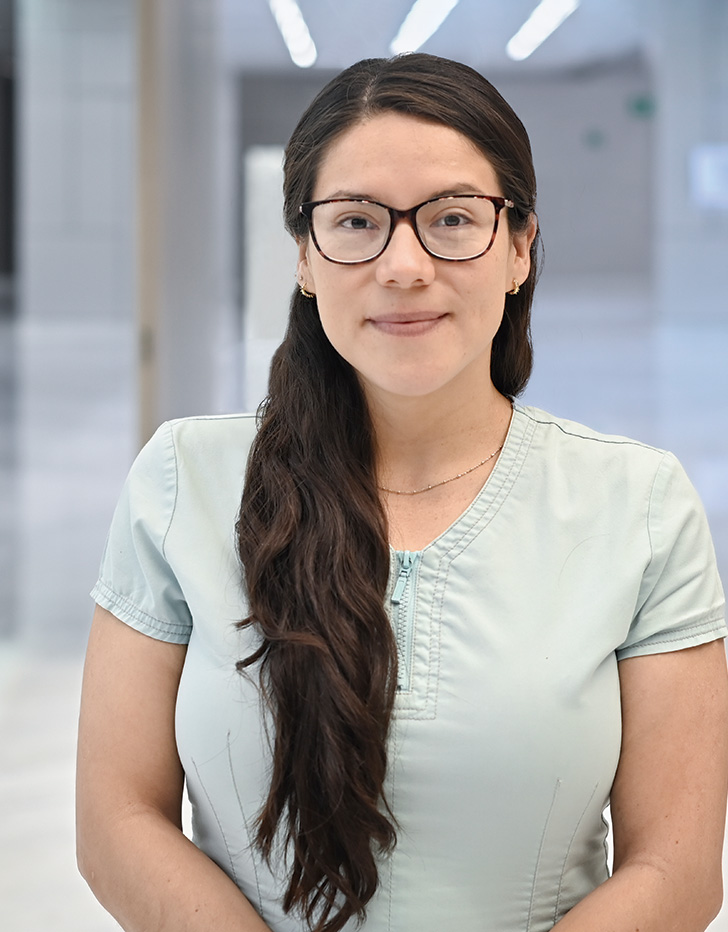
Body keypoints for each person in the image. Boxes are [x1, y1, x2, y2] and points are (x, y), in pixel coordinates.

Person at [76, 53, 728, 932]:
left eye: (453, 218)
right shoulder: (182, 480)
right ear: (306, 256)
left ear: (519, 247)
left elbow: (676, 871)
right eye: (357, 222)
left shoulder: (639, 505)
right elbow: (116, 818)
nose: (405, 264)